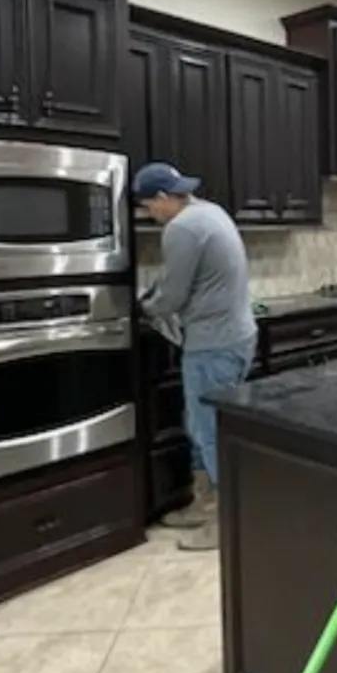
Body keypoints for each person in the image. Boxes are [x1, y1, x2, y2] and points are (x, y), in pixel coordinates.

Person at [134, 162, 257, 551]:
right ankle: (204, 504)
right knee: (199, 425)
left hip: (214, 343)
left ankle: (226, 523)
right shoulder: (211, 212)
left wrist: (145, 308)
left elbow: (173, 294)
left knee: (209, 432)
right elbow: (178, 281)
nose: (149, 215)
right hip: (234, 335)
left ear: (163, 198)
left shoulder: (181, 228)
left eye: (148, 207)